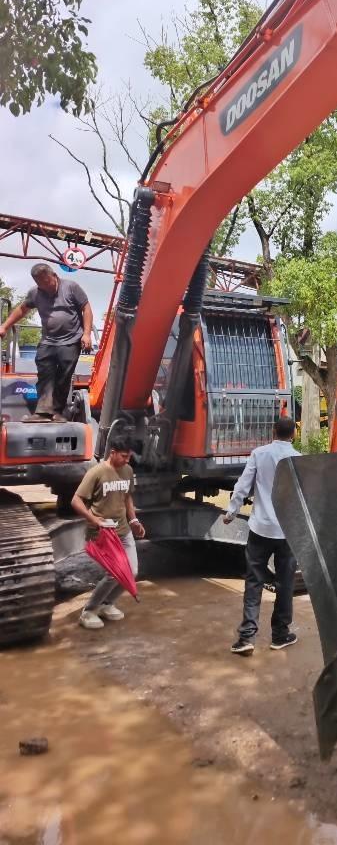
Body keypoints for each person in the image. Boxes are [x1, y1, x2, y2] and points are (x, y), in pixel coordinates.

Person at [225, 416, 299, 655]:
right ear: (294, 434)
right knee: (285, 582)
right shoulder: (299, 459)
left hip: (261, 529)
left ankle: (247, 637)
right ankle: (280, 635)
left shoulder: (259, 454)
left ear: (273, 431)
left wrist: (232, 511)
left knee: (254, 580)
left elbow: (243, 485)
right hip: (287, 531)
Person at [0, 263, 93, 422]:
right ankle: (43, 413)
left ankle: (57, 413)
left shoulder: (71, 287)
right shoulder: (35, 293)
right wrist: (4, 326)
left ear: (54, 276)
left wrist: (86, 334)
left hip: (71, 340)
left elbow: (87, 309)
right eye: (40, 285)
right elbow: (22, 309)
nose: (45, 288)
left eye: (47, 283)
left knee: (63, 376)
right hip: (48, 341)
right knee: (45, 374)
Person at [70, 436, 145, 630]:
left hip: (124, 530)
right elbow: (76, 501)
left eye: (129, 456)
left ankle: (106, 604)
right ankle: (88, 611)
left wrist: (134, 520)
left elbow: (127, 497)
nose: (127, 460)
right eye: (123, 456)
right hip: (103, 533)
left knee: (132, 571)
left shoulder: (127, 470)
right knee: (114, 573)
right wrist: (94, 520)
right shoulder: (96, 472)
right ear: (112, 452)